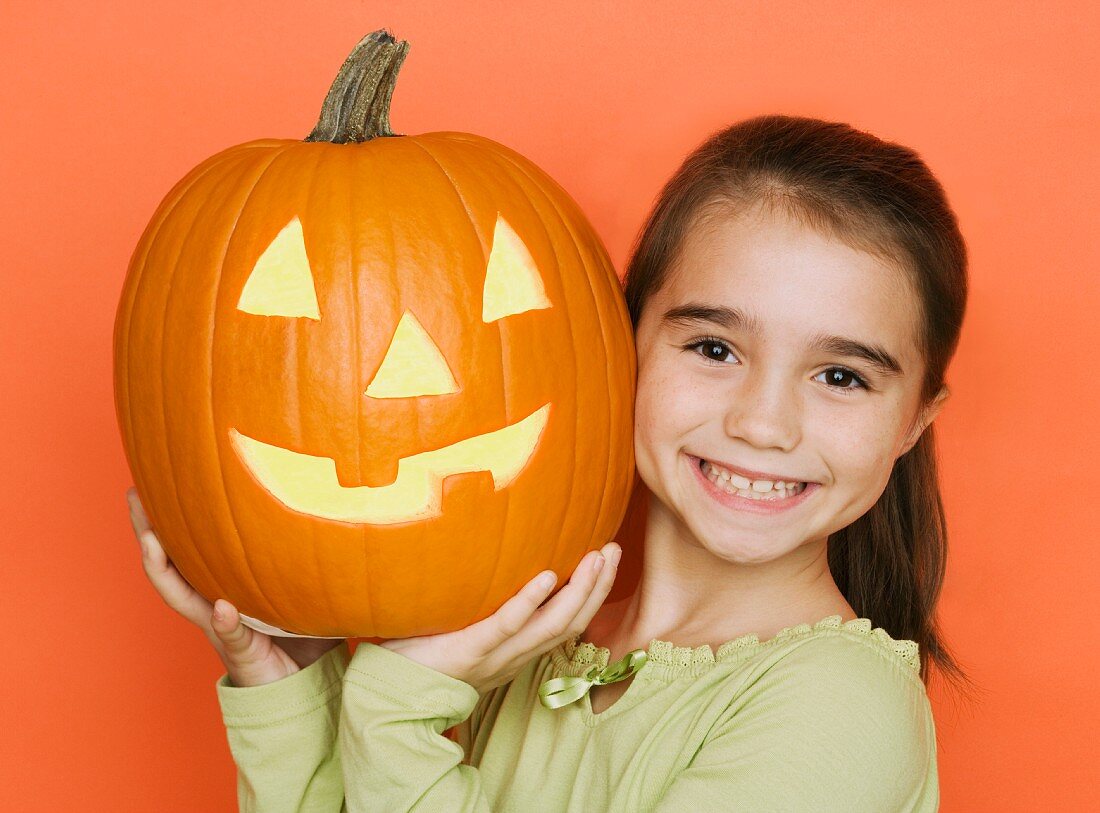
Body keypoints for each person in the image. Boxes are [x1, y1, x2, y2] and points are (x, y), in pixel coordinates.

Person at [128, 113, 970, 811]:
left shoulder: (839, 709)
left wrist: (391, 712)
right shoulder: (519, 644)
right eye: (714, 347)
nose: (761, 422)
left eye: (840, 375)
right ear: (616, 342)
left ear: (913, 421)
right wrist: (294, 686)